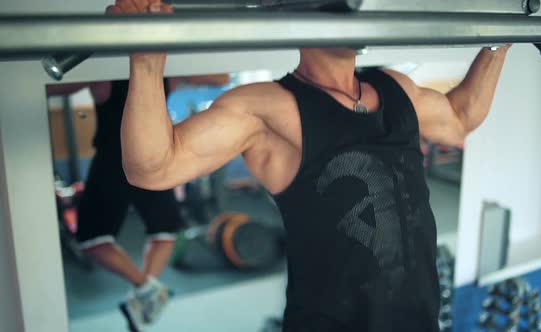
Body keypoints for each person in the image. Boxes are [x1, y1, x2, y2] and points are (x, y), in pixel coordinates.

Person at [112, 1, 511, 331]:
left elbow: (460, 115)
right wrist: (146, 61)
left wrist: (499, 40)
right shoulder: (270, 107)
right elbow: (152, 167)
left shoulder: (395, 87)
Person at [46, 74, 229, 332]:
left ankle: (145, 289)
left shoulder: (106, 78)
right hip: (143, 160)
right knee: (160, 233)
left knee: (99, 239)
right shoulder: (154, 76)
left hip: (124, 162)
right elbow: (222, 79)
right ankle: (147, 290)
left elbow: (222, 78)